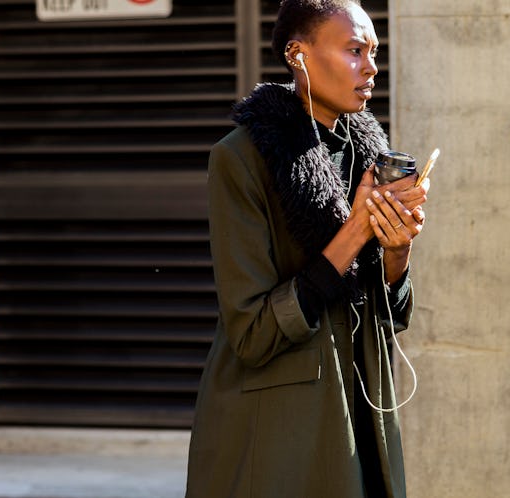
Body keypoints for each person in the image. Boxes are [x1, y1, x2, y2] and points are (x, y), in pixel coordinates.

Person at [185, 1, 429, 497]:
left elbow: (389, 313)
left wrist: (398, 249)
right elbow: (251, 332)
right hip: (278, 428)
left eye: (374, 52)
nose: (371, 67)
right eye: (355, 50)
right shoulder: (241, 159)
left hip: (360, 410)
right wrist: (357, 230)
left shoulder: (369, 157)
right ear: (298, 54)